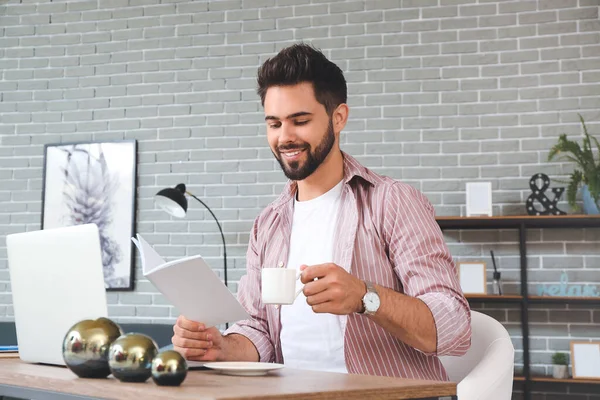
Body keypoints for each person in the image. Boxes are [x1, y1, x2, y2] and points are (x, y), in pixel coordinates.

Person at [172, 43, 471, 380]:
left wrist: (365, 297)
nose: (285, 137)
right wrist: (223, 348)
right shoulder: (268, 224)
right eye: (273, 124)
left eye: (299, 121)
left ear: (338, 117)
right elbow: (260, 329)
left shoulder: (393, 202)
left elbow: (454, 326)